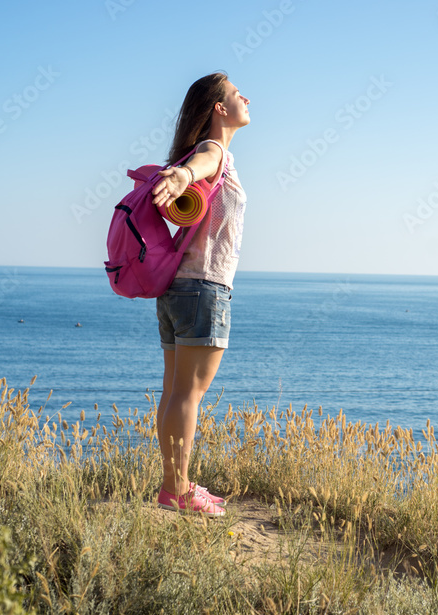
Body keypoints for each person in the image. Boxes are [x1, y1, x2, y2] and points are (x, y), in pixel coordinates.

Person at [151, 72, 250, 517]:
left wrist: (181, 172)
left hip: (177, 289)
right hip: (204, 287)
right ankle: (179, 491)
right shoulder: (213, 152)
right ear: (219, 109)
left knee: (174, 392)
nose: (246, 98)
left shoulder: (207, 153)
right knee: (187, 396)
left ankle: (177, 485)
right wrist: (182, 175)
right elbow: (202, 164)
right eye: (236, 94)